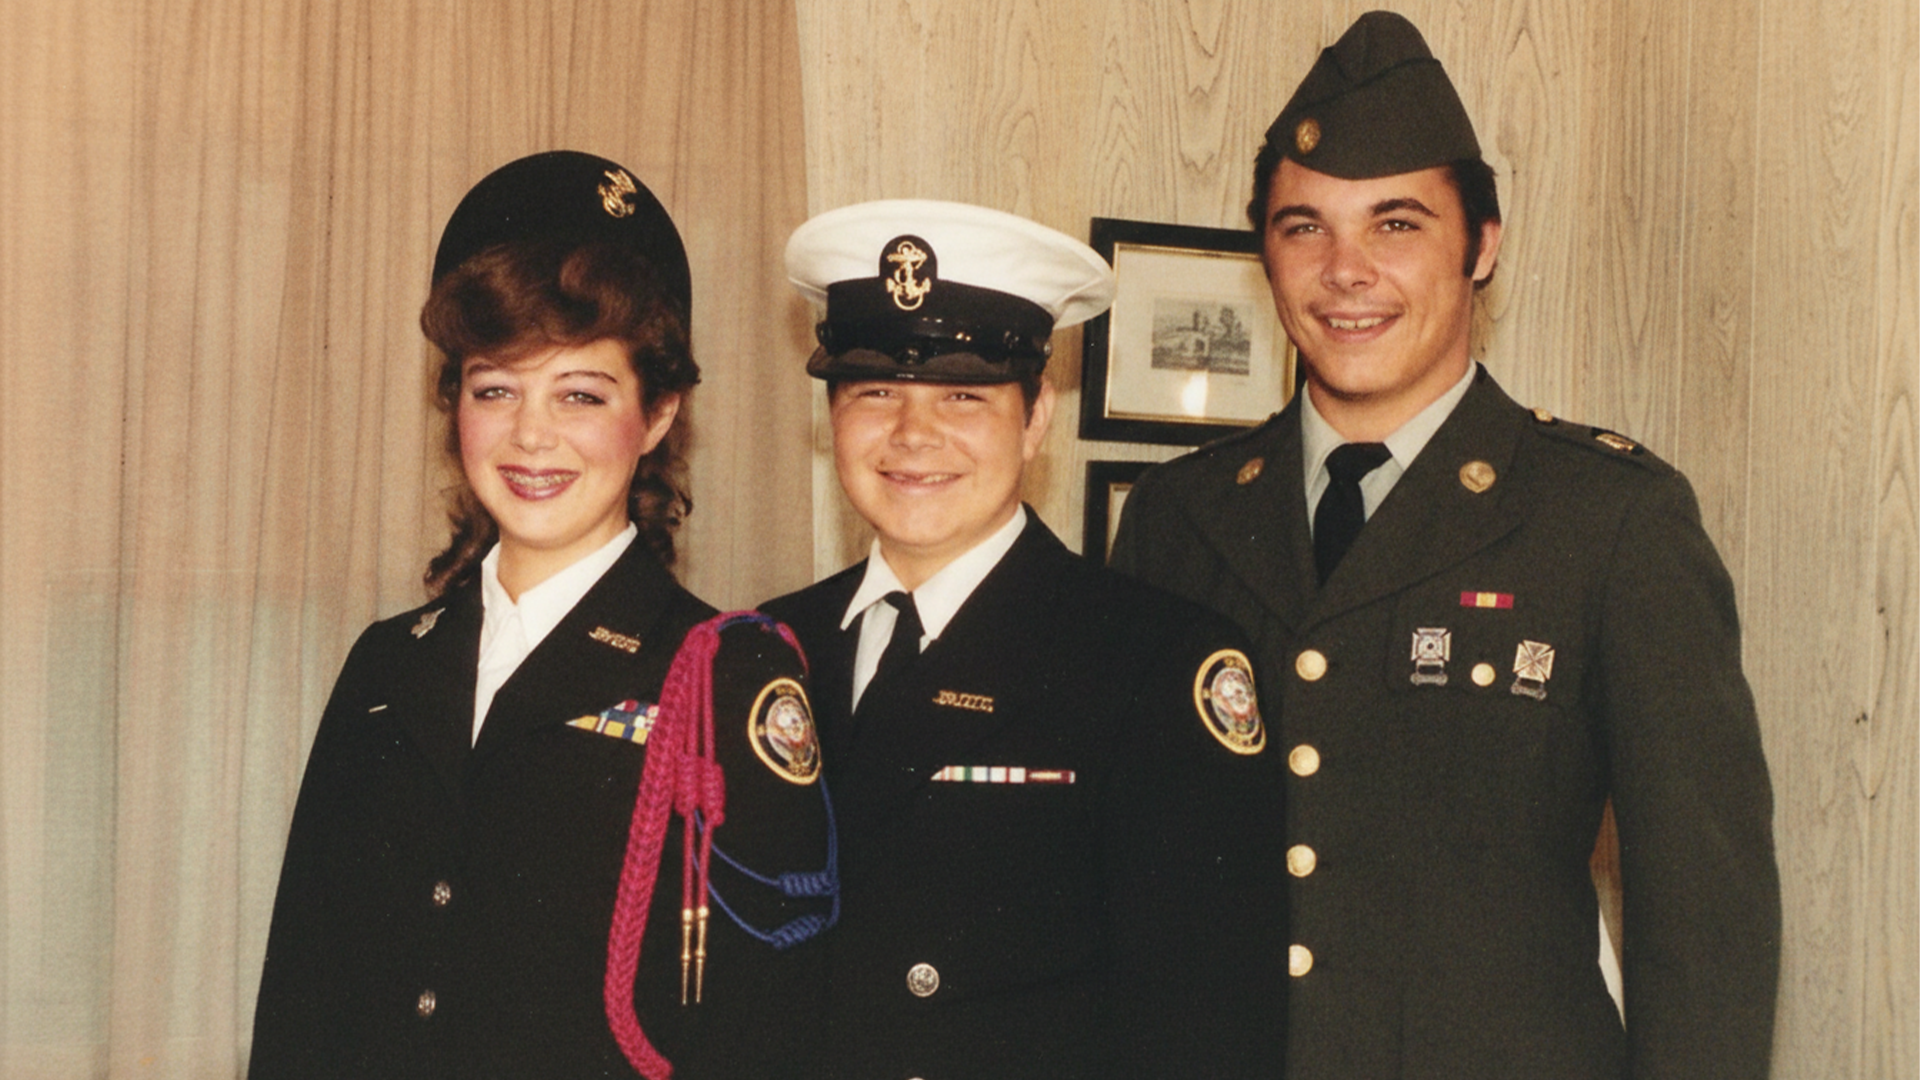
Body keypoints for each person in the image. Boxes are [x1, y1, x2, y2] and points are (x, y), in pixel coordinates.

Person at [1111, 11, 1780, 1078]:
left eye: (1396, 224)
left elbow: (1705, 927)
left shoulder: (1607, 520)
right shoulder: (1178, 519)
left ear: (1482, 245)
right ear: (1265, 256)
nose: (1345, 272)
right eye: (1303, 228)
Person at [249, 150, 834, 1080]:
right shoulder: (387, 663)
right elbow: (302, 1001)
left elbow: (769, 1030)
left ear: (656, 416)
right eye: (496, 389)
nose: (531, 435)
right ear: (454, 408)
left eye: (581, 395)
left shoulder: (725, 675)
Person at [761, 200, 1288, 1079]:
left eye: (964, 394)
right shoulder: (769, 643)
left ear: (1037, 414)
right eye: (875, 390)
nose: (912, 435)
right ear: (832, 415)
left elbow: (1208, 1030)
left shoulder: (1154, 662)